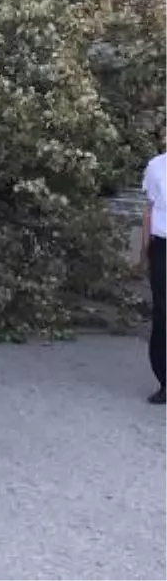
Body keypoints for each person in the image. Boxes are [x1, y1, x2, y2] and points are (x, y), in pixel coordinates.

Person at [143, 148, 167, 403]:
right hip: (163, 247)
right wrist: (143, 252)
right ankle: (165, 379)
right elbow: (149, 210)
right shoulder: (157, 166)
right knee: (163, 311)